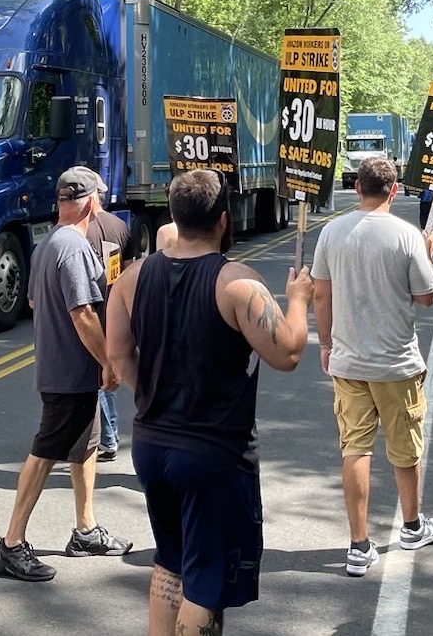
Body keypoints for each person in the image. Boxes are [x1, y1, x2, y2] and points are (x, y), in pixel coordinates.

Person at [106, 168, 313, 635]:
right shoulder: (237, 283)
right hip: (213, 453)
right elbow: (290, 352)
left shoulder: (133, 278)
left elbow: (118, 355)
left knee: (171, 559)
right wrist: (299, 299)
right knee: (206, 581)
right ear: (223, 219)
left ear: (173, 216)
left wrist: (150, 398)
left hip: (152, 445)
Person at [0, 167, 134, 582]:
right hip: (67, 373)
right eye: (100, 197)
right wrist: (109, 360)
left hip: (67, 369)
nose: (103, 203)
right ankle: (12, 543)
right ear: (90, 201)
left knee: (85, 447)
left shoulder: (47, 244)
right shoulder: (72, 246)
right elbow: (83, 313)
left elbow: (37, 303)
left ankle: (85, 530)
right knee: (44, 454)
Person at [311, 157, 433, 577]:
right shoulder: (407, 236)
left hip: (349, 360)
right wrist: (429, 253)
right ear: (395, 190)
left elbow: (320, 295)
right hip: (397, 362)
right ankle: (410, 525)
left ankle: (357, 544)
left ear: (356, 187)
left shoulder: (331, 232)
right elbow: (426, 297)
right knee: (405, 449)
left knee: (355, 448)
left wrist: (326, 343)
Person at [78, 167, 139, 463]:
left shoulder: (78, 230)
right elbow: (129, 272)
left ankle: (107, 437)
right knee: (108, 374)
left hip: (90, 308)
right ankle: (106, 434)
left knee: (96, 375)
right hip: (114, 309)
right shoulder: (119, 225)